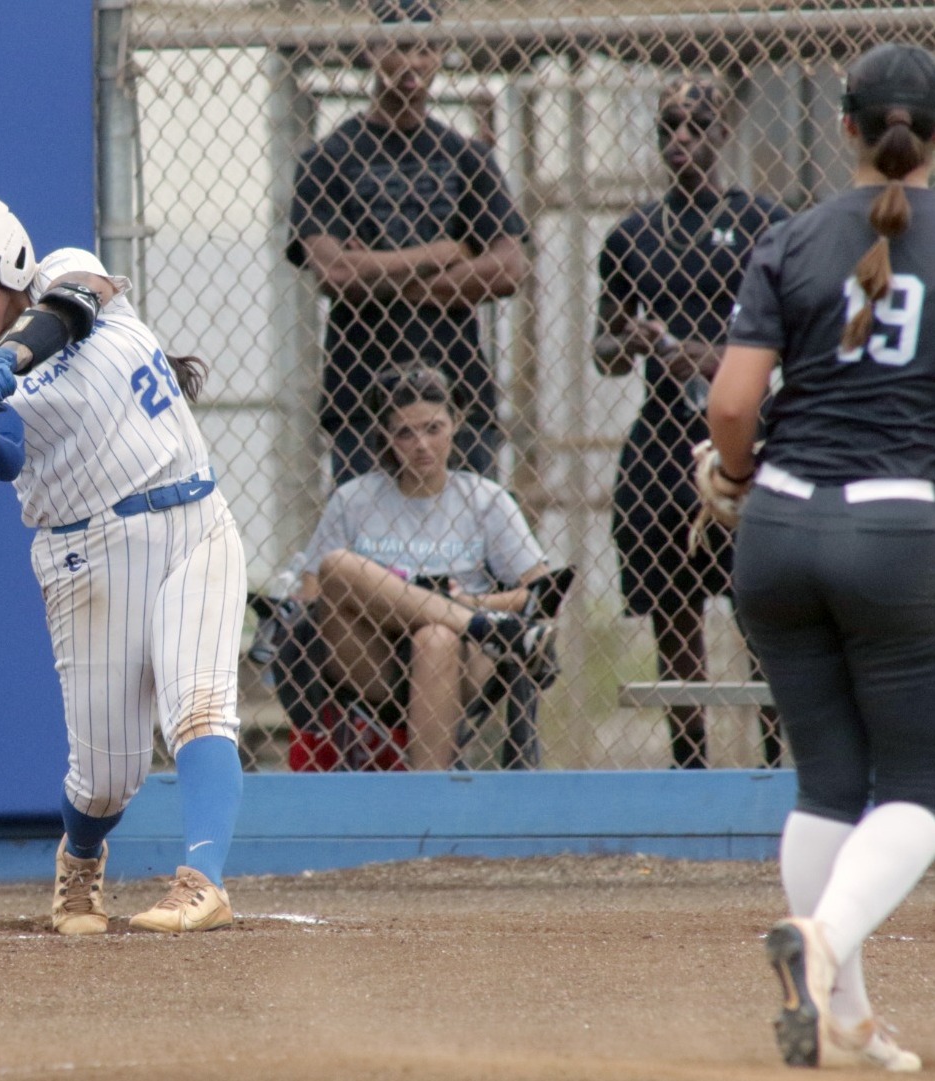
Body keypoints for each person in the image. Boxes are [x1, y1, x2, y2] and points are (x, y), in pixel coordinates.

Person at [0, 191, 245, 934]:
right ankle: (81, 855)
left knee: (199, 704)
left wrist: (12, 358)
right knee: (106, 777)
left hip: (196, 522)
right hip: (87, 552)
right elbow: (9, 458)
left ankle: (203, 880)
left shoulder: (66, 269)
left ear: (8, 260)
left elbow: (73, 304)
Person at [705, 42, 935, 1071]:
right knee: (918, 786)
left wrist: (736, 475)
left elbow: (731, 405)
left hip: (779, 530)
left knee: (830, 782)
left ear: (847, 127)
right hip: (896, 533)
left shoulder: (790, 237)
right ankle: (823, 941)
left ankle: (845, 1017)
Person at [595, 78, 789, 769]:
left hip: (745, 430)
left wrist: (707, 358)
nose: (679, 137)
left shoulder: (764, 225)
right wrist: (632, 340)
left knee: (760, 605)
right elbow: (604, 349)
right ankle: (689, 764)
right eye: (668, 125)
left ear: (721, 133)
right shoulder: (632, 237)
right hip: (665, 434)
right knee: (673, 606)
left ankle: (773, 759)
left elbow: (793, 336)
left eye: (695, 125)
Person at [284, 0, 530, 485]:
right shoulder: (329, 159)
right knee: (367, 528)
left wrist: (375, 275)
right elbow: (335, 272)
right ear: (373, 51)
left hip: (457, 395)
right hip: (363, 398)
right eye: (399, 47)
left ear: (439, 55)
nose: (413, 63)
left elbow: (506, 270)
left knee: (467, 525)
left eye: (425, 49)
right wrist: (445, 254)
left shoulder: (467, 157)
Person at [279, 367, 563, 770]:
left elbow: (542, 594)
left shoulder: (485, 499)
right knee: (336, 565)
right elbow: (312, 596)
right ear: (385, 435)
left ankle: (427, 793)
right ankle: (476, 624)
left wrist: (472, 602)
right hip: (372, 654)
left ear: (456, 423)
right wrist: (386, 600)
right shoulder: (352, 500)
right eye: (405, 434)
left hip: (462, 654)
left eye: (433, 428)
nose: (422, 445)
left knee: (435, 636)